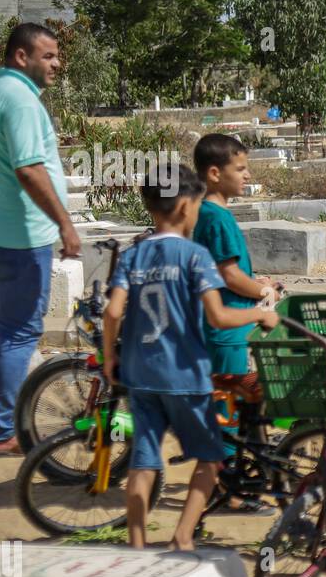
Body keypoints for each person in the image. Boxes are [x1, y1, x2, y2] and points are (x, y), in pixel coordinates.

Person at [101, 163, 278, 551]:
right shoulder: (195, 256)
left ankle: (136, 541)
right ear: (184, 206)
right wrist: (259, 313)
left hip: (139, 374)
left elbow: (113, 312)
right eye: (196, 205)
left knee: (144, 461)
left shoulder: (134, 255)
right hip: (185, 376)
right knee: (211, 457)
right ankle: (182, 536)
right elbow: (219, 316)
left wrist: (109, 357)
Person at [0, 23, 81, 454]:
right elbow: (28, 169)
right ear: (21, 57)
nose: (56, 63)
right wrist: (65, 224)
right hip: (17, 236)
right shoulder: (21, 100)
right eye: (48, 56)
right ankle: (2, 435)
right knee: (19, 333)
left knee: (5, 330)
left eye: (56, 55)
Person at [191, 133, 274, 477]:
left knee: (233, 399)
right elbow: (228, 274)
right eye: (240, 169)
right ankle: (227, 480)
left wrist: (260, 283)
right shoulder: (218, 217)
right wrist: (262, 293)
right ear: (214, 173)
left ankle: (236, 468)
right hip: (229, 326)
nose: (247, 175)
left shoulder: (205, 212)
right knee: (227, 405)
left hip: (221, 323)